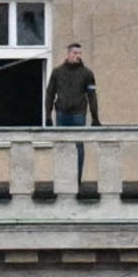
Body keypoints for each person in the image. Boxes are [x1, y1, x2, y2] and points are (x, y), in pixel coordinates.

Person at [45, 43, 100, 184]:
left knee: (78, 147)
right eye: (75, 53)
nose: (77, 56)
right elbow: (50, 94)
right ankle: (61, 179)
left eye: (80, 53)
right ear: (68, 54)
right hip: (62, 114)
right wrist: (48, 116)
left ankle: (77, 180)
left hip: (78, 114)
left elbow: (92, 95)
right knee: (61, 147)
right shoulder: (57, 72)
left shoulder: (87, 73)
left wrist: (95, 118)